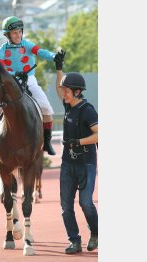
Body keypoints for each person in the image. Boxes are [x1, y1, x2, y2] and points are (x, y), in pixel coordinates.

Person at [0, 16, 58, 156]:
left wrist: (54, 56)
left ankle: (47, 142)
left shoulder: (28, 44)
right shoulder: (1, 51)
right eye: (14, 33)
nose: (18, 35)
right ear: (7, 35)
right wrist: (14, 73)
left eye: (19, 32)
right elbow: (1, 69)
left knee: (47, 109)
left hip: (29, 79)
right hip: (10, 82)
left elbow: (41, 52)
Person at [54, 50, 98, 254]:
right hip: (67, 164)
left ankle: (95, 233)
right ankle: (75, 240)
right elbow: (57, 89)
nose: (63, 93)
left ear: (77, 92)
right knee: (66, 207)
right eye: (64, 90)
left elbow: (100, 135)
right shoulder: (68, 106)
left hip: (86, 163)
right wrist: (58, 67)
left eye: (67, 90)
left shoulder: (88, 110)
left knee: (86, 203)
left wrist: (78, 142)